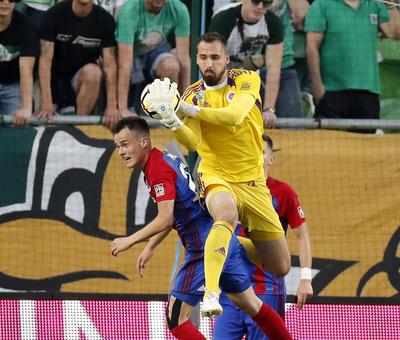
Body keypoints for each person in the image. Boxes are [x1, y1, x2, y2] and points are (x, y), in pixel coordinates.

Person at [145, 32, 291, 317]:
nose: (208, 63)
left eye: (214, 57)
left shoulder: (247, 79)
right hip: (215, 173)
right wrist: (172, 120)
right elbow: (192, 143)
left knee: (280, 265)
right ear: (196, 59)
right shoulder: (192, 92)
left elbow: (234, 116)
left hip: (252, 180)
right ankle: (211, 294)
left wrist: (186, 109)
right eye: (202, 57)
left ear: (226, 58)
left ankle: (225, 244)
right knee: (225, 215)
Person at [110, 116, 293, 340]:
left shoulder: (157, 168)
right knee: (249, 303)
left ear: (143, 142)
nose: (121, 152)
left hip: (203, 248)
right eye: (118, 146)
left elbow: (165, 218)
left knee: (175, 318)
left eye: (125, 144)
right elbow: (178, 211)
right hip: (223, 242)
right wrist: (151, 246)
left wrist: (129, 240)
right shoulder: (163, 159)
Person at [213, 135, 313, 340]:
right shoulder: (227, 190)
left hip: (266, 287)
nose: (254, 155)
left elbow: (302, 237)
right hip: (232, 287)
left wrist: (305, 278)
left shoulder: (283, 192)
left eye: (261, 151)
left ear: (271, 158)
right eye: (250, 149)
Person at [306, 0, 400, 122]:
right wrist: (318, 87)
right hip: (332, 92)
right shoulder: (321, 5)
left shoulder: (375, 4)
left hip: (368, 93)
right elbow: (312, 48)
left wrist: (390, 3)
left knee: (366, 140)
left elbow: (395, 33)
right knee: (330, 140)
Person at [37, 0, 120, 128]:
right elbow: (44, 61)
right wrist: (46, 101)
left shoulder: (105, 20)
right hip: (52, 81)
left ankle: (77, 129)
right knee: (44, 120)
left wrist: (111, 106)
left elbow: (110, 66)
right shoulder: (54, 15)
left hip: (81, 80)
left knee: (93, 72)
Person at [208, 0, 285, 128]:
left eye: (266, 3)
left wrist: (269, 109)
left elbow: (274, 69)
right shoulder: (224, 18)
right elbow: (211, 62)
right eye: (255, 1)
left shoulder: (273, 23)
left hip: (247, 71)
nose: (260, 7)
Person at [115, 0, 191, 117]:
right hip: (130, 55)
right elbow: (124, 64)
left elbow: (184, 59)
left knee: (171, 66)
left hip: (156, 51)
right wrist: (122, 108)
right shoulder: (129, 11)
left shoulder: (179, 9)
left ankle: (166, 115)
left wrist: (186, 102)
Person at [0, 0, 39, 125]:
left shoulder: (26, 27)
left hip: (14, 85)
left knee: (20, 125)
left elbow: (26, 70)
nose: (6, 2)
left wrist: (26, 108)